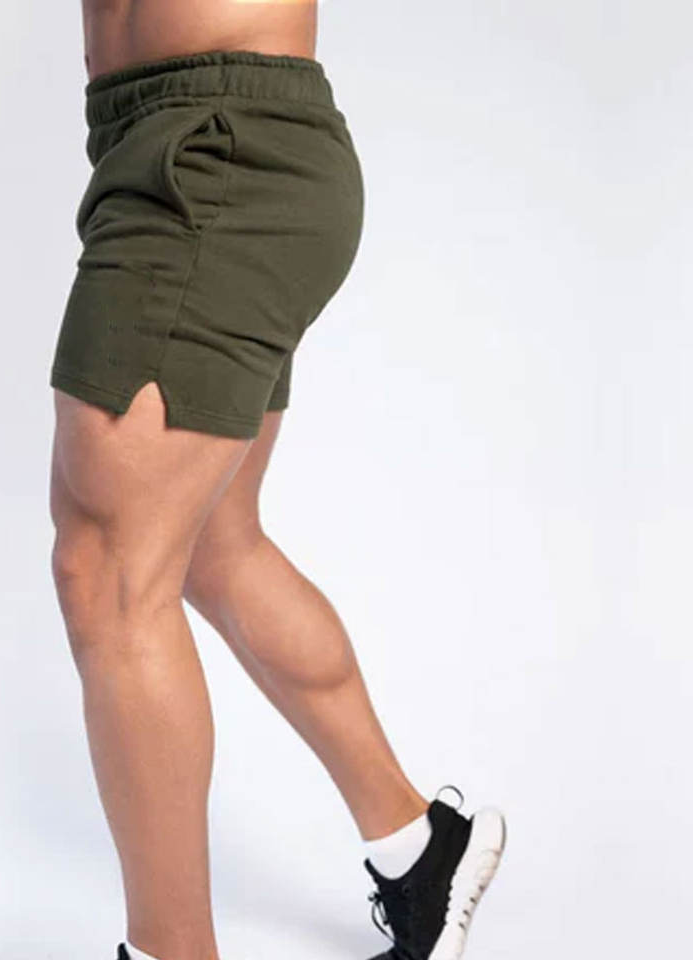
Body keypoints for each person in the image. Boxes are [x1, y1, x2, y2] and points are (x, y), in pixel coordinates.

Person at [48, 3, 505, 959]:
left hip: (219, 144)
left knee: (109, 570)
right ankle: (421, 850)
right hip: (171, 141)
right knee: (214, 547)